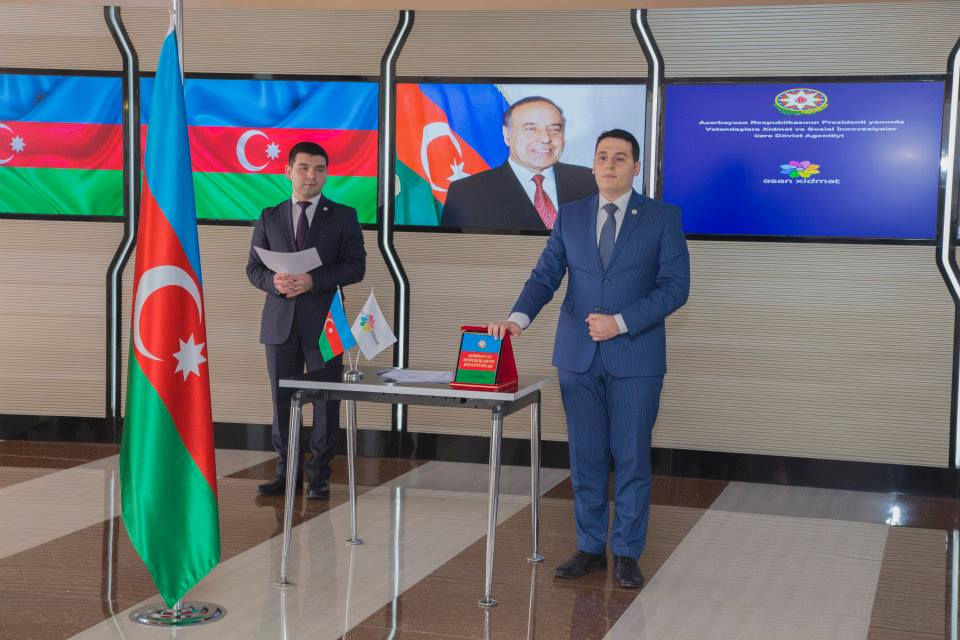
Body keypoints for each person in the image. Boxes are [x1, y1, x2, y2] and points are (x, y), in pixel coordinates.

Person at [487, 129, 689, 588]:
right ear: (593, 164)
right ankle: (590, 547)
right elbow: (546, 275)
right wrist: (518, 319)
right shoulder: (571, 215)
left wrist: (621, 322)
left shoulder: (662, 218)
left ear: (636, 167)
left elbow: (676, 288)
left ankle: (628, 553)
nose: (609, 165)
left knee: (631, 457)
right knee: (586, 457)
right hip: (578, 358)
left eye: (620, 158)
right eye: (602, 157)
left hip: (636, 357)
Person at [246, 141, 366, 499]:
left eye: (319, 169)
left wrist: (314, 280)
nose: (311, 176)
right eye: (304, 168)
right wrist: (274, 282)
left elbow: (355, 267)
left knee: (326, 402)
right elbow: (253, 268)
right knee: (282, 399)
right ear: (288, 171)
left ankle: (319, 475)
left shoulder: (343, 216)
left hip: (326, 322)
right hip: (279, 323)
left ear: (326, 174)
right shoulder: (269, 216)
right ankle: (287, 471)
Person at [440, 96, 597, 231]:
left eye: (554, 129)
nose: (546, 138)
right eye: (531, 129)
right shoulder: (467, 194)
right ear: (507, 134)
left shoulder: (590, 181)